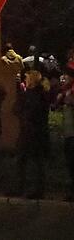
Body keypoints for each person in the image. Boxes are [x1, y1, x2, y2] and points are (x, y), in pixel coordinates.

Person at [14, 70, 51, 199]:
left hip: (33, 132)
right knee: (27, 161)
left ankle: (33, 189)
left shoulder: (35, 95)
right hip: (31, 132)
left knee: (33, 162)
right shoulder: (36, 94)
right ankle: (26, 188)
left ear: (32, 81)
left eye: (27, 78)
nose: (25, 80)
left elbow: (26, 111)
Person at [56, 67, 74, 201]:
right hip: (68, 132)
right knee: (70, 163)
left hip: (72, 133)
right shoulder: (65, 91)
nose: (64, 78)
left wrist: (69, 100)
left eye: (66, 76)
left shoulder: (71, 92)